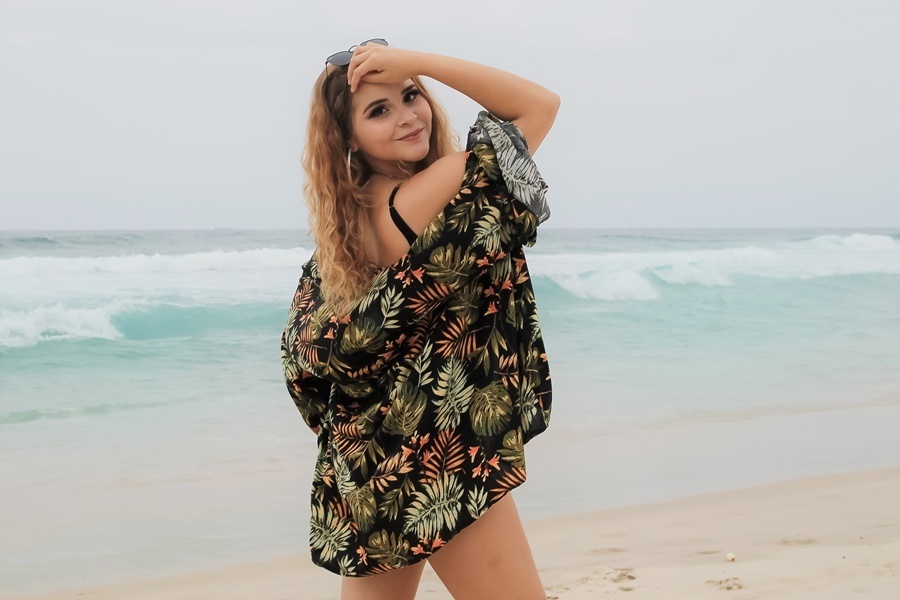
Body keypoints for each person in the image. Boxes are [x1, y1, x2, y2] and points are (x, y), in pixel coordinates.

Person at [281, 38, 560, 600]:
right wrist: (421, 63)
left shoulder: (349, 220)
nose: (408, 117)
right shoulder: (436, 186)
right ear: (349, 138)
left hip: (367, 459)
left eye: (412, 96)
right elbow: (539, 106)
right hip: (436, 459)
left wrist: (409, 72)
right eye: (378, 110)